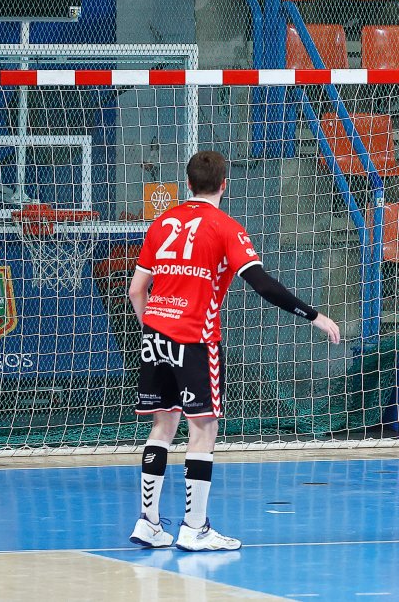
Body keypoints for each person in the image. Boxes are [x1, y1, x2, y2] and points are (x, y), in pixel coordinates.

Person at [127, 150, 340, 551]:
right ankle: (195, 528)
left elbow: (137, 289)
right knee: (203, 430)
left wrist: (154, 329)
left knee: (162, 428)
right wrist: (314, 315)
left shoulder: (162, 223)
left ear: (187, 183)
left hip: (155, 334)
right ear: (225, 184)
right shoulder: (226, 227)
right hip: (195, 338)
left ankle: (149, 522)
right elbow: (261, 284)